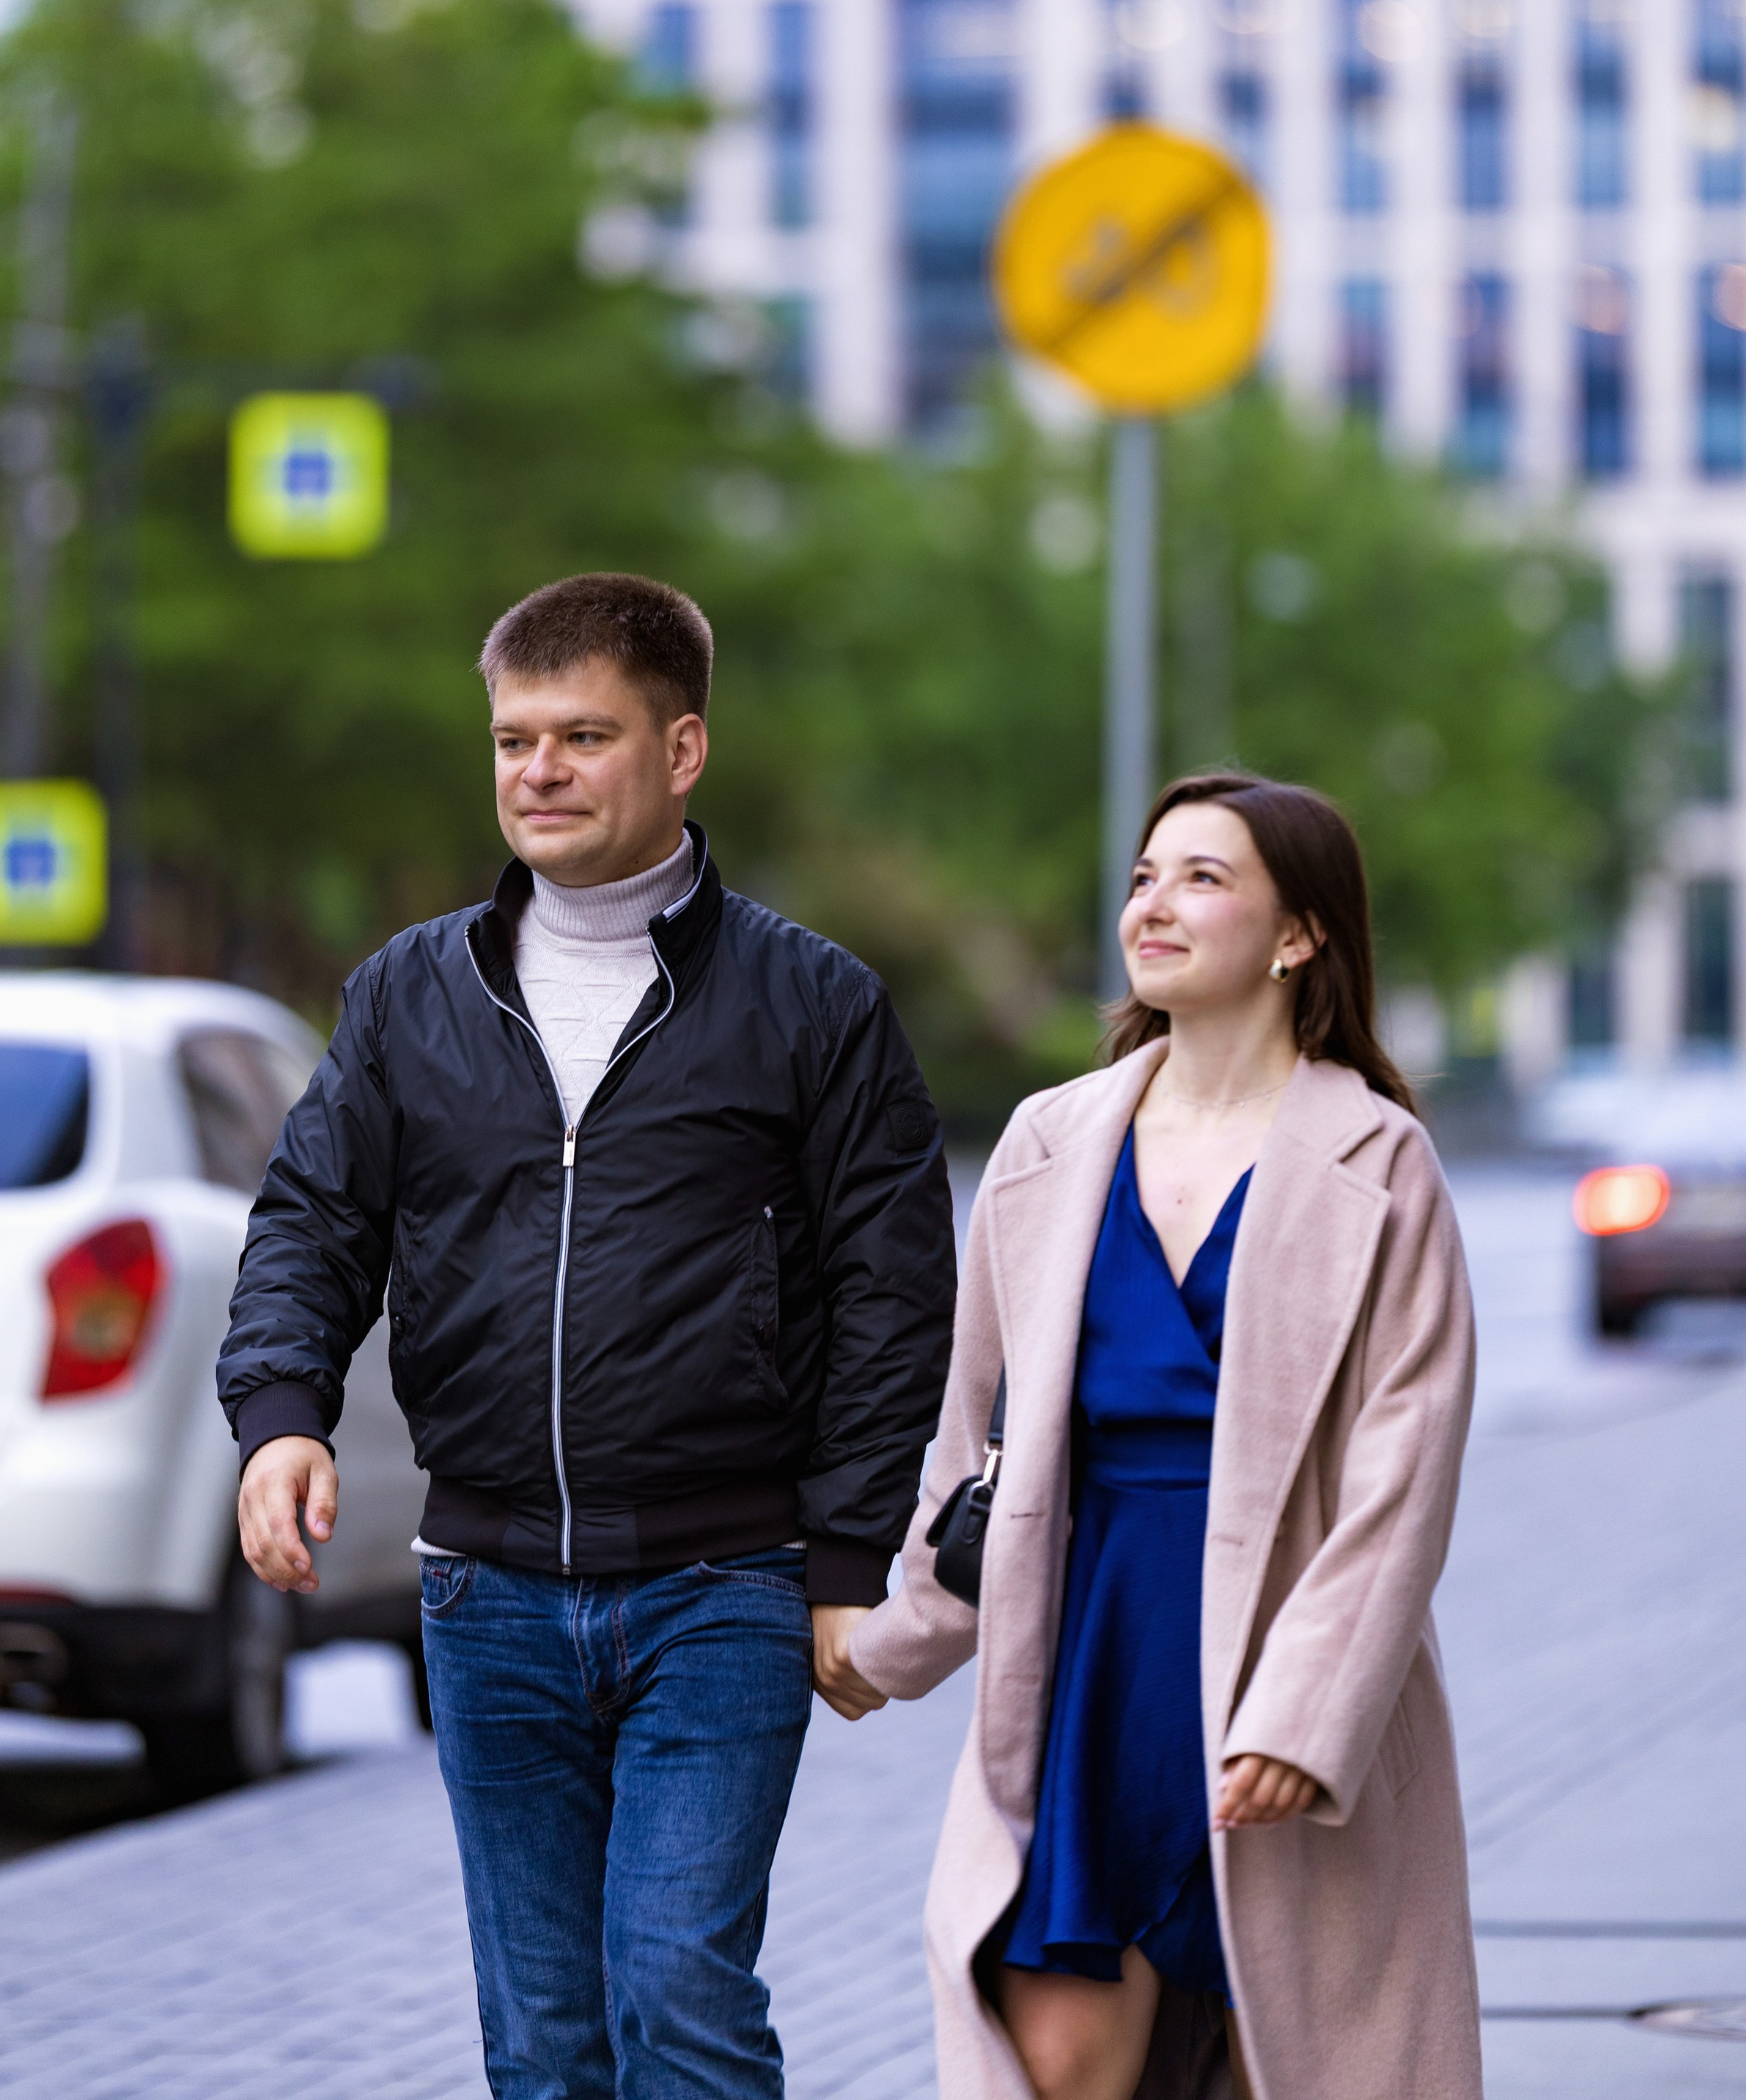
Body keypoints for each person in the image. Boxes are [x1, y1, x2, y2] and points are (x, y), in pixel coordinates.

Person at [218, 571, 957, 2100]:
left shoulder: (811, 1005)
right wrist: (283, 1409)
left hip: (723, 1588)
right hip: (487, 1595)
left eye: (580, 737)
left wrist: (842, 1563)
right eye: (511, 740)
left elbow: (893, 1299)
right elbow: (312, 1220)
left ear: (681, 751)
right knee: (543, 2042)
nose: (536, 773)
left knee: (678, 1994)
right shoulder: (410, 994)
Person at [840, 770, 1480, 2100]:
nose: (1156, 904)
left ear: (1298, 936)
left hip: (1282, 1666)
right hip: (1093, 1659)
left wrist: (1306, 1717)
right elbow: (976, 1452)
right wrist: (889, 1643)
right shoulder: (1047, 1144)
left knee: (1285, 2056)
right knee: (1064, 2061)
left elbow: (1402, 1477)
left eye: (1203, 878)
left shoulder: (1379, 1160)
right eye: (1144, 878)